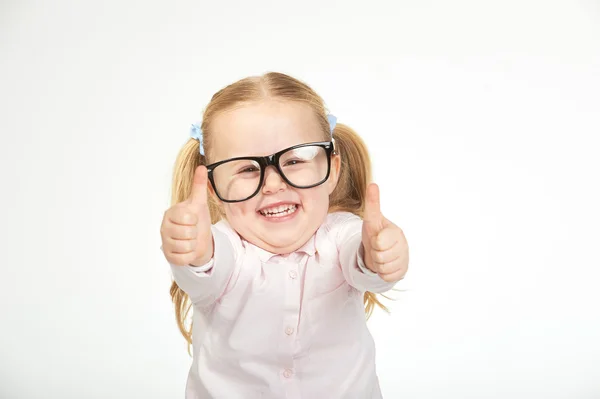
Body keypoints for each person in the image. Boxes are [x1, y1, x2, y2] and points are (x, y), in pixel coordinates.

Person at [160, 72, 409, 398]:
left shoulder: (340, 237)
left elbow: (362, 261)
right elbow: (204, 267)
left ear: (332, 170)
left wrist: (381, 256)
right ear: (214, 188)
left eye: (294, 160)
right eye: (247, 168)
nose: (274, 183)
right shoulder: (225, 250)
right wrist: (192, 249)